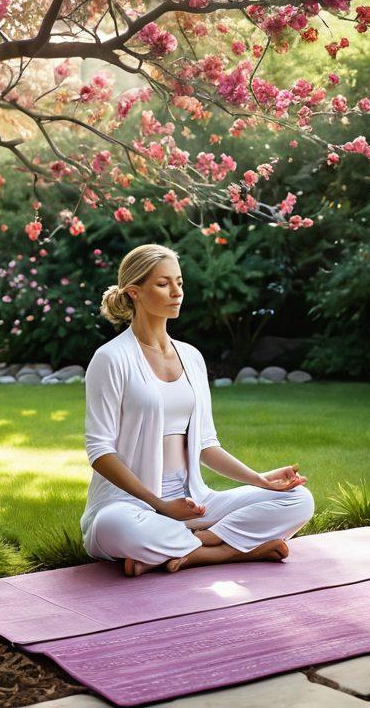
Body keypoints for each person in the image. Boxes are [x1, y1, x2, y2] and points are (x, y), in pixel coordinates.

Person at [80, 243, 315, 577]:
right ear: (134, 292)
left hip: (195, 502)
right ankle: (234, 551)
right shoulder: (111, 358)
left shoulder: (191, 357)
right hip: (129, 506)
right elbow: (99, 451)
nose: (177, 292)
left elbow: (206, 444)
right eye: (163, 284)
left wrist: (261, 480)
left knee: (298, 500)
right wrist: (160, 505)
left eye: (179, 282)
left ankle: (194, 547)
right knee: (118, 529)